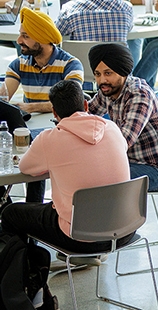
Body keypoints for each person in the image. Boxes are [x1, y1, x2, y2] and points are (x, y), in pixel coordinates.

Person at [0, 80, 131, 257]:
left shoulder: (50, 139)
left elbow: (25, 167)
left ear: (54, 111)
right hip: (124, 229)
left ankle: (26, 268)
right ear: (85, 105)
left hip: (79, 237)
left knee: (10, 214)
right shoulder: (112, 128)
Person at [86, 44, 158, 192]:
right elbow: (85, 113)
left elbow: (124, 141)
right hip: (130, 161)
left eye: (108, 73)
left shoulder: (139, 95)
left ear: (123, 72)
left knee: (97, 180)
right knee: (86, 172)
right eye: (98, 74)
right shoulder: (109, 89)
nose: (102, 80)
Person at [5, 8, 84, 114]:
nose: (18, 41)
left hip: (62, 124)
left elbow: (70, 102)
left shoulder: (71, 65)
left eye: (26, 36)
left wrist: (31, 108)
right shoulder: (18, 65)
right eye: (20, 34)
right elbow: (3, 98)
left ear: (42, 39)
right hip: (32, 125)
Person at [57, 0, 139, 64]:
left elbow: (57, 32)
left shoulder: (70, 8)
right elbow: (129, 28)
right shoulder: (126, 8)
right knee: (137, 41)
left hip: (82, 73)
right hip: (117, 73)